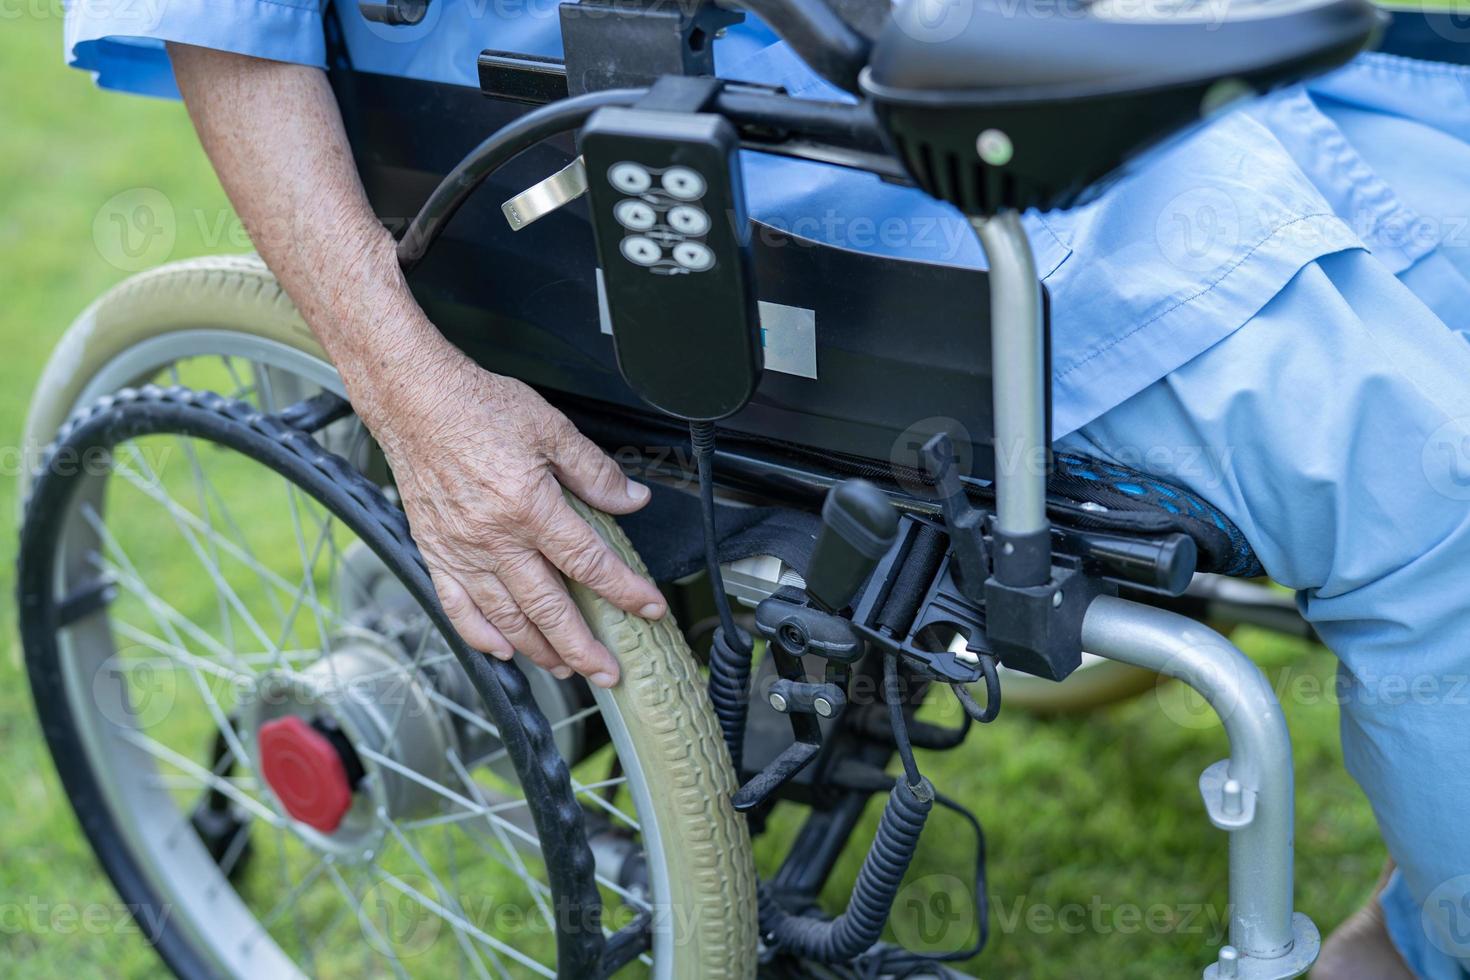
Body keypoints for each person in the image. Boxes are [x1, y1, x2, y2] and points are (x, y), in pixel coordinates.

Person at [62, 2, 1470, 977]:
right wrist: (419, 406)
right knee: (1411, 464)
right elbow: (221, 31)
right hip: (713, 165)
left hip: (1003, 64)